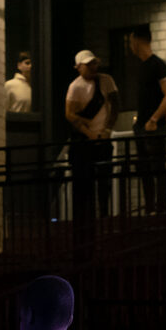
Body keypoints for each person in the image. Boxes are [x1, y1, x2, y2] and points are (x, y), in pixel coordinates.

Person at [65, 49, 120, 229]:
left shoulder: (106, 80)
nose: (93, 67)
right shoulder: (75, 87)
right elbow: (70, 114)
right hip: (84, 141)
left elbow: (115, 106)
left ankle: (103, 215)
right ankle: (85, 219)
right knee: (84, 182)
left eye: (94, 63)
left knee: (104, 180)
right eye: (88, 65)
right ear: (78, 67)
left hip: (103, 138)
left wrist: (107, 129)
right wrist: (89, 133)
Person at [129, 24, 166, 214]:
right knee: (145, 170)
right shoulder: (142, 66)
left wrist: (154, 119)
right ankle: (150, 209)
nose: (130, 46)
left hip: (153, 127)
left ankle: (161, 210)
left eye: (131, 41)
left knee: (157, 169)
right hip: (142, 125)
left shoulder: (157, 65)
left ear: (137, 41)